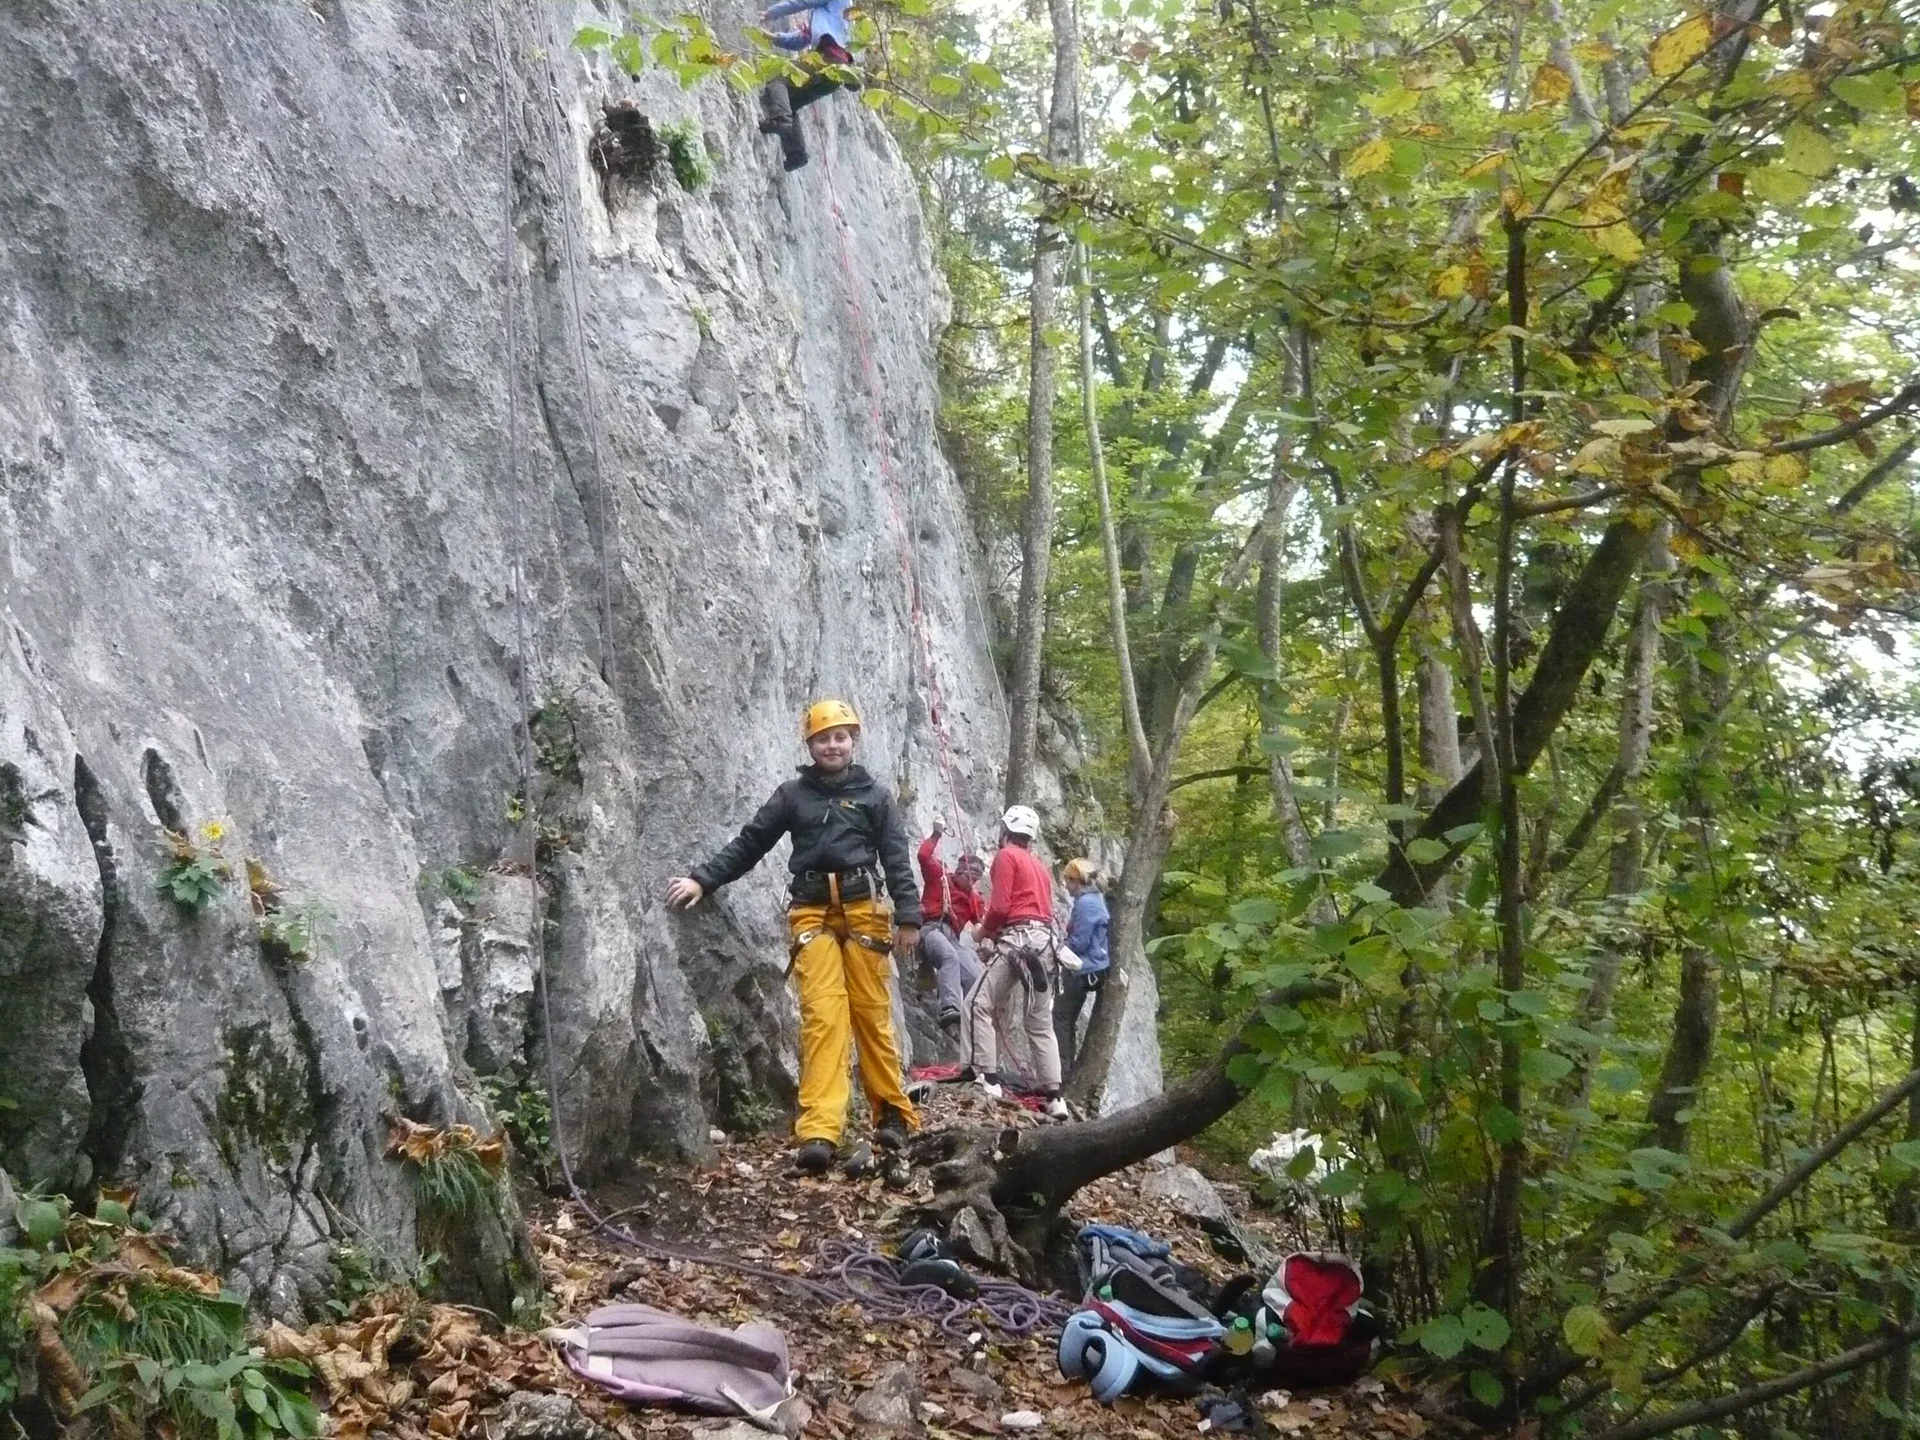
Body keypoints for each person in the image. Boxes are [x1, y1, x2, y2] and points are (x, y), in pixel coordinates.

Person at [666, 699, 921, 1175]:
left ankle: (891, 1115)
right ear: (810, 745)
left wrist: (909, 916)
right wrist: (704, 879)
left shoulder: (876, 797)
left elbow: (896, 857)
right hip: (813, 914)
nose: (832, 744)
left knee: (871, 1016)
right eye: (823, 738)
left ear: (853, 741)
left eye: (840, 736)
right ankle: (821, 1131)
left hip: (866, 913)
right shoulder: (793, 796)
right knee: (823, 1019)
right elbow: (751, 842)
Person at [965, 805, 1068, 1120]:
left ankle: (987, 1077)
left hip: (1019, 940)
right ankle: (1055, 1096)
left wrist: (981, 932)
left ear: (1005, 830)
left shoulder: (1006, 856)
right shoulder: (1040, 866)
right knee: (1039, 1021)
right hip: (1044, 943)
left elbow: (999, 908)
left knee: (976, 1003)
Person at [756, 0, 860, 172]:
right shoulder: (845, 12)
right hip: (836, 75)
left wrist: (771, 13)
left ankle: (781, 120)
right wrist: (774, 38)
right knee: (789, 103)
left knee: (777, 82)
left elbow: (801, 2)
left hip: (825, 60)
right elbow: (804, 38)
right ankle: (796, 153)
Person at [916, 819, 984, 1038]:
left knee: (974, 975)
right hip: (931, 929)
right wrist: (936, 835)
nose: (971, 880)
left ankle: (968, 1016)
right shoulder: (941, 877)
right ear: (960, 870)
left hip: (953, 937)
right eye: (968, 874)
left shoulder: (974, 900)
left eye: (976, 877)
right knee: (950, 958)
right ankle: (949, 1008)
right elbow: (924, 857)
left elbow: (982, 924)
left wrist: (989, 939)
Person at [1053, 858, 1111, 1077]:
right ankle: (1065, 1068)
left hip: (1083, 969)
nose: (1065, 886)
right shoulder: (1093, 899)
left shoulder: (1087, 904)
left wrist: (1058, 949)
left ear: (1075, 880)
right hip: (1093, 966)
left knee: (1060, 1016)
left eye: (1067, 881)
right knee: (1067, 1018)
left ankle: (1061, 1070)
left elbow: (1079, 942)